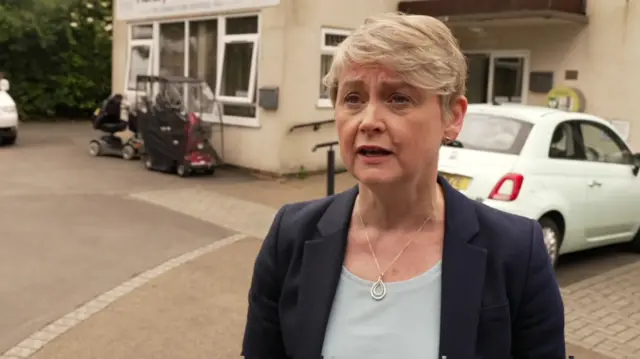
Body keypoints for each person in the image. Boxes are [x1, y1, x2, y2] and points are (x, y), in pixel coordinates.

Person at [241, 12, 565, 359]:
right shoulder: (290, 237)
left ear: (452, 117)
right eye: (353, 98)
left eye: (398, 99)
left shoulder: (517, 253)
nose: (368, 121)